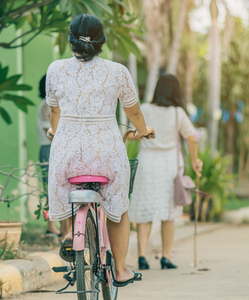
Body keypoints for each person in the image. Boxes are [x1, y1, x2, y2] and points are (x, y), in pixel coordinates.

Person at [45, 14, 155, 286]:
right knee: (118, 204)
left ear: (71, 39)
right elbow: (134, 111)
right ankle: (120, 269)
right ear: (101, 39)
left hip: (67, 150)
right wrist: (142, 130)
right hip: (106, 150)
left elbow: (54, 111)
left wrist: (56, 132)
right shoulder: (117, 71)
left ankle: (71, 231)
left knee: (66, 188)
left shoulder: (55, 69)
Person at [128, 74, 203, 270]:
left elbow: (134, 136)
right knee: (168, 213)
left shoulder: (144, 109)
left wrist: (145, 133)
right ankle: (165, 256)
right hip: (169, 164)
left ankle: (142, 256)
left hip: (147, 163)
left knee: (145, 211)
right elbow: (192, 138)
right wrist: (195, 161)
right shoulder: (178, 113)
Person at [36, 75, 70, 239]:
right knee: (50, 188)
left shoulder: (49, 104)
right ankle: (51, 226)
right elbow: (48, 130)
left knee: (53, 188)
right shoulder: (46, 106)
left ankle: (53, 227)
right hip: (49, 149)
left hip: (51, 148)